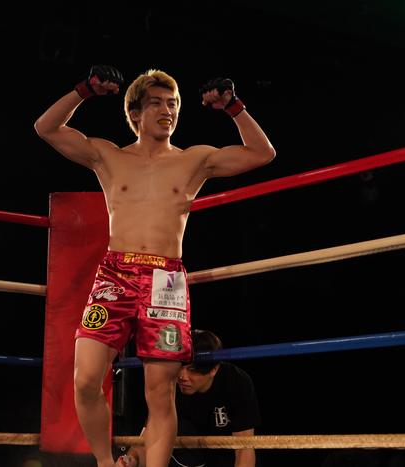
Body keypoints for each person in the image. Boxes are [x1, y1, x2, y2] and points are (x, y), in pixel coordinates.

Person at [34, 65, 275, 467]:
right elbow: (46, 127)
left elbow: (262, 153)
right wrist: (85, 90)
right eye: (157, 103)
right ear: (135, 113)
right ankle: (105, 463)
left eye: (173, 103)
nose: (168, 110)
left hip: (165, 280)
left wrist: (233, 107)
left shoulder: (194, 159)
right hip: (115, 274)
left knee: (160, 393)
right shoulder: (108, 156)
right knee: (86, 379)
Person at [117, 329, 261, 467]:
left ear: (214, 369)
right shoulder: (169, 382)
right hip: (186, 460)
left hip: (226, 460)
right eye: (180, 366)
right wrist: (131, 460)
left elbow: (244, 449)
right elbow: (150, 437)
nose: (182, 376)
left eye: (192, 370)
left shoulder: (236, 382)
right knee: (176, 431)